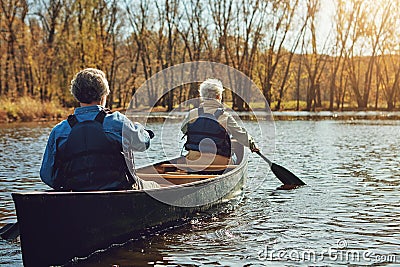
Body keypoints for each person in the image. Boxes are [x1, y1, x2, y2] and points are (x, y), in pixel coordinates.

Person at [40, 68, 159, 191]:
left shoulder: (59, 131)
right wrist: (144, 132)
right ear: (103, 95)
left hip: (77, 195)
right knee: (156, 186)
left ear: (77, 96)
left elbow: (48, 176)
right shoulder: (117, 122)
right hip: (119, 193)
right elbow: (142, 144)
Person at [181, 78, 259, 167]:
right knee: (237, 151)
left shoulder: (192, 114)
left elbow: (184, 130)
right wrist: (253, 145)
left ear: (203, 96)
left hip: (193, 162)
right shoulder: (225, 116)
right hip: (219, 164)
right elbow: (241, 135)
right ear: (218, 96)